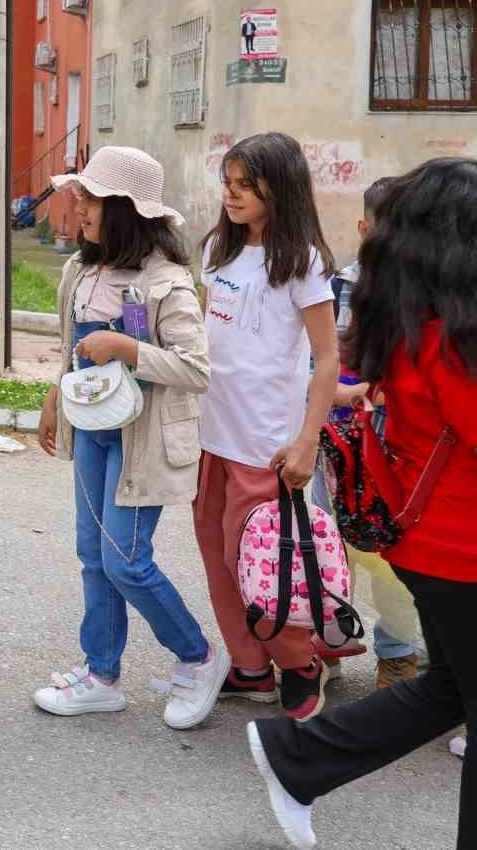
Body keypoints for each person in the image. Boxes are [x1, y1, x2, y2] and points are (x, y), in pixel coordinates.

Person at [247, 158, 477, 850]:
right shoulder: (459, 336)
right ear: (463, 243)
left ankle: (297, 757)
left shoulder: (423, 315)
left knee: (454, 691)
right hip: (466, 554)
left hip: (430, 545)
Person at [33, 147, 228, 729]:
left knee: (126, 562)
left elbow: (196, 370)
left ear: (123, 210)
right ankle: (101, 674)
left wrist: (126, 349)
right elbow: (71, 347)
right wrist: (54, 395)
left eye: (91, 199)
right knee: (92, 556)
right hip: (92, 432)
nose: (80, 207)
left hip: (140, 443)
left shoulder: (168, 283)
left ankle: (198, 656)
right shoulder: (79, 272)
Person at [195, 132, 340, 723]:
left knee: (259, 564)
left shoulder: (302, 262)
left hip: (266, 445)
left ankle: (301, 662)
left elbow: (325, 358)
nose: (231, 196)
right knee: (216, 556)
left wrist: (306, 440)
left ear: (277, 189)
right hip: (212, 435)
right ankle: (250, 666)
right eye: (227, 184)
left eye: (245, 186)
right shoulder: (217, 251)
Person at [312, 175, 427, 690]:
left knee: (392, 552)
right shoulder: (339, 285)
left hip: (400, 444)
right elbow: (325, 358)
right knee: (327, 542)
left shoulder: (431, 292)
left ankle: (398, 651)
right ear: (364, 229)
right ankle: (326, 642)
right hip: (340, 440)